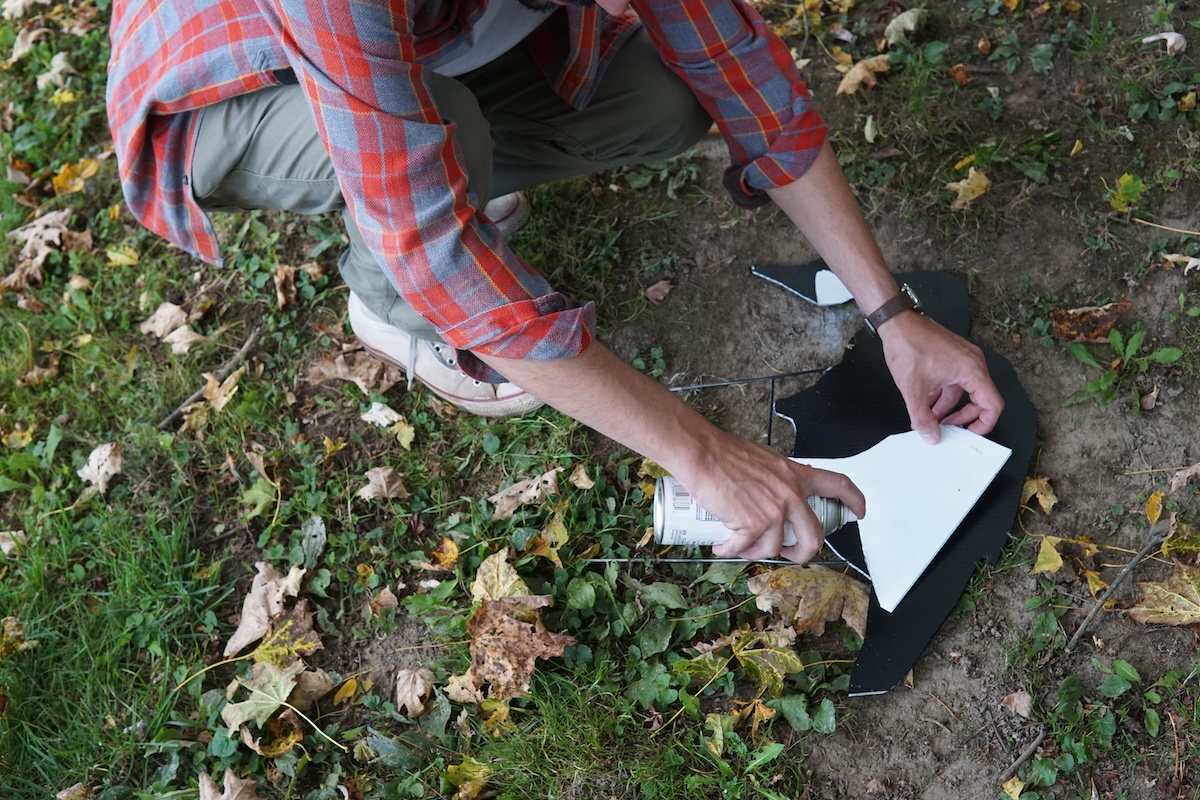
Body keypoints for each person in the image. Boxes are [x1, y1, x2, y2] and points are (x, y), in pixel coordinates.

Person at [107, 0, 1004, 565]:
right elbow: (440, 255)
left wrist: (892, 314)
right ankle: (386, 307)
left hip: (432, 34)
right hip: (233, 76)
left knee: (664, 97)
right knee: (439, 158)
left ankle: (450, 154)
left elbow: (749, 84)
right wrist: (703, 456)